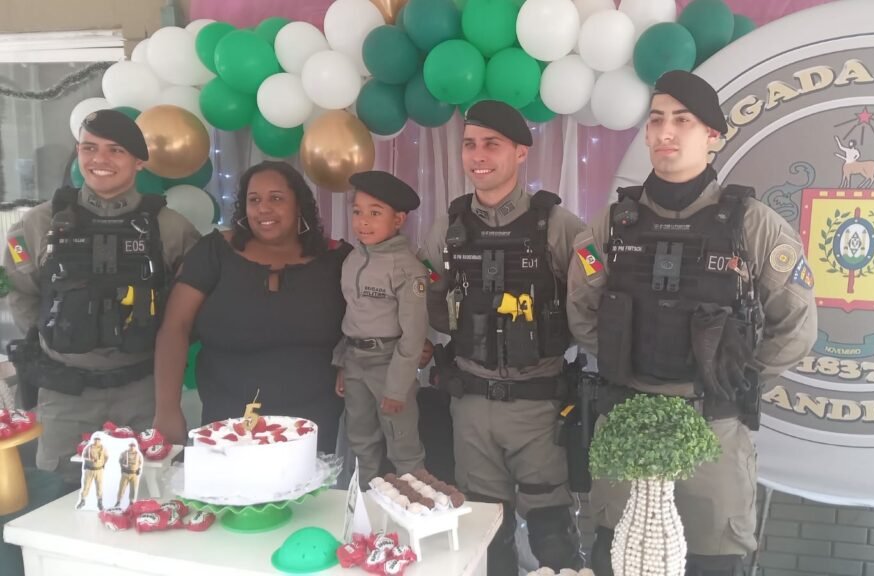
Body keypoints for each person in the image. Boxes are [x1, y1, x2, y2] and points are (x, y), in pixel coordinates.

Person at [567, 70, 818, 576]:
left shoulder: (753, 225)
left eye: (683, 121)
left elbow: (797, 325)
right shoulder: (611, 225)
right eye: (657, 119)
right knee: (617, 560)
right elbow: (581, 306)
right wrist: (623, 363)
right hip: (628, 425)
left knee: (713, 564)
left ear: (712, 135)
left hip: (712, 430)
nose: (666, 132)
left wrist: (737, 377)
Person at [418, 100, 586, 574]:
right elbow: (430, 296)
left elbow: (592, 298)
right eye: (469, 144)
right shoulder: (448, 228)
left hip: (540, 407)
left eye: (492, 144)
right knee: (487, 537)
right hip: (471, 405)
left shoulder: (559, 226)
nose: (478, 155)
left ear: (520, 153)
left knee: (553, 536)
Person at [4, 109, 200, 485]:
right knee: (61, 497)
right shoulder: (37, 224)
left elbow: (188, 310)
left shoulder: (171, 228)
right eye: (89, 148)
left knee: (151, 492)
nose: (100, 159)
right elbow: (20, 292)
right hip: (65, 397)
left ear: (139, 161)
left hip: (144, 393)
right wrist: (59, 338)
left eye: (116, 150)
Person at [153, 161, 349, 454]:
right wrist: (167, 408)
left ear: (299, 205)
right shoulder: (215, 252)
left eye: (276, 198)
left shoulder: (336, 259)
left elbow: (369, 322)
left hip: (312, 426)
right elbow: (174, 327)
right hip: (227, 425)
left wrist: (350, 359)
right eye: (254, 200)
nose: (263, 209)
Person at [333, 170, 428, 486]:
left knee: (403, 445)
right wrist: (342, 363)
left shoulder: (407, 268)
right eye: (357, 212)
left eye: (375, 213)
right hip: (355, 362)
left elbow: (413, 335)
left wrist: (398, 387)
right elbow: (351, 317)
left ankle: (412, 505)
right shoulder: (352, 259)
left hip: (389, 364)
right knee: (360, 440)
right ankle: (365, 503)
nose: (363, 222)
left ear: (398, 220)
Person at [76, 436, 107, 510]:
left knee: (99, 486)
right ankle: (83, 500)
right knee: (86, 486)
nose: (97, 441)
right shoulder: (89, 448)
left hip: (99, 470)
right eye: (95, 439)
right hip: (89, 469)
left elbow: (106, 457)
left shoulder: (103, 448)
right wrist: (90, 460)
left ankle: (99, 502)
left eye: (98, 440)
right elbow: (84, 457)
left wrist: (102, 464)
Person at [117, 441, 142, 506]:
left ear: (135, 446)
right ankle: (118, 501)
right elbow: (120, 460)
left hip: (134, 474)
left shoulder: (138, 454)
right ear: (129, 446)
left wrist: (138, 469)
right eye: (131, 446)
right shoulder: (124, 453)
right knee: (122, 488)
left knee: (133, 489)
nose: (132, 447)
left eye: (133, 446)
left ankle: (131, 502)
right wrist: (122, 467)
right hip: (125, 473)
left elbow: (140, 462)